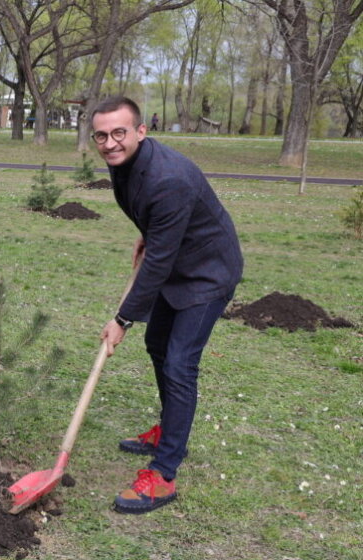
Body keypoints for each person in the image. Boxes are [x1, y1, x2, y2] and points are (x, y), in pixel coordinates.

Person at [91, 96, 243, 514]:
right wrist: (154, 230)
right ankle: (169, 429)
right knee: (158, 346)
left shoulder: (167, 178)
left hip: (207, 275)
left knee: (179, 363)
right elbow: (158, 229)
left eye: (119, 132)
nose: (110, 143)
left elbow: (157, 264)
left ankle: (164, 473)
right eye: (101, 135)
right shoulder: (126, 165)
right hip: (178, 260)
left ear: (141, 131)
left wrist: (123, 318)